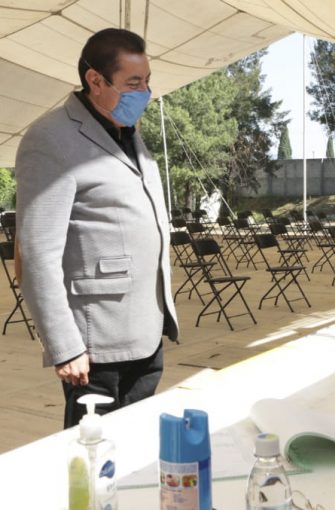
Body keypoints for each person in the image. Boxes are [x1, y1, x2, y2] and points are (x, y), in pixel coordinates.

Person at [15, 28, 178, 428]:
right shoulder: (51, 139)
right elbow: (37, 252)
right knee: (95, 461)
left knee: (136, 450)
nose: (145, 92)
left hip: (143, 329)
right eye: (133, 83)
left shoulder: (127, 133)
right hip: (96, 346)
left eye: (147, 81)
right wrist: (65, 346)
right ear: (95, 81)